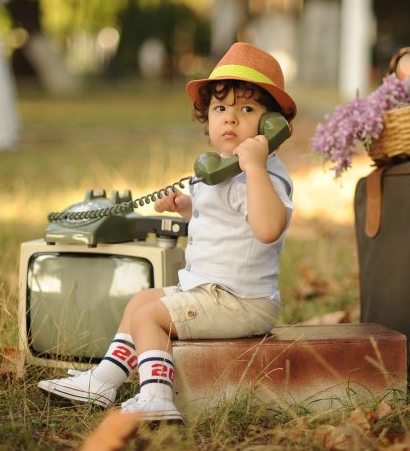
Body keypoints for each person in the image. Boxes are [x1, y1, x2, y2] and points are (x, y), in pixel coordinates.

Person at [37, 42, 297, 422]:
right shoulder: (218, 170)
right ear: (205, 120)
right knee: (140, 301)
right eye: (220, 109)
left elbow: (268, 227)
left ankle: (156, 396)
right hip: (208, 290)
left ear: (272, 126)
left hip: (240, 301)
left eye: (247, 109)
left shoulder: (266, 176)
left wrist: (255, 168)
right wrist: (188, 207)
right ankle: (104, 381)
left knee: (150, 318)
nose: (230, 119)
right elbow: (226, 222)